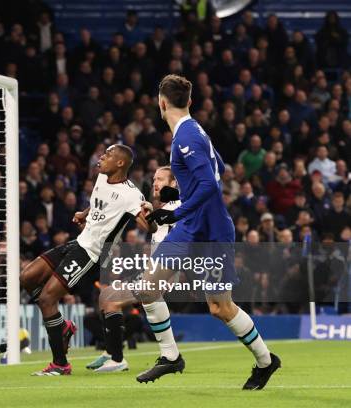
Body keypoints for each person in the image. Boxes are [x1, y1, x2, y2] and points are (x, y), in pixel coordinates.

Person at [102, 75, 281, 389]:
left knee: (220, 307)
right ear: (190, 101)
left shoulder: (187, 136)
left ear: (161, 102)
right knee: (148, 288)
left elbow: (211, 183)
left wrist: (179, 208)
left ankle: (266, 361)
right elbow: (219, 168)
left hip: (209, 231)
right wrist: (181, 195)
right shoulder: (194, 131)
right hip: (190, 229)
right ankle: (171, 357)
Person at [20, 144, 149, 376]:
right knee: (28, 277)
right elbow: (100, 203)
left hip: (92, 254)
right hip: (79, 242)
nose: (102, 157)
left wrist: (153, 212)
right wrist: (84, 213)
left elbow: (148, 224)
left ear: (120, 163)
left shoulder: (132, 194)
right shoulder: (101, 177)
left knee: (48, 299)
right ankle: (63, 328)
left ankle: (60, 364)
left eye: (108, 155)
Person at [86, 166, 183, 375]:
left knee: (111, 298)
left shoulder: (178, 208)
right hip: (156, 269)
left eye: (161, 179)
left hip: (164, 272)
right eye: (154, 178)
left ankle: (117, 358)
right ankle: (110, 351)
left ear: (174, 183)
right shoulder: (166, 208)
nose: (156, 182)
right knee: (106, 297)